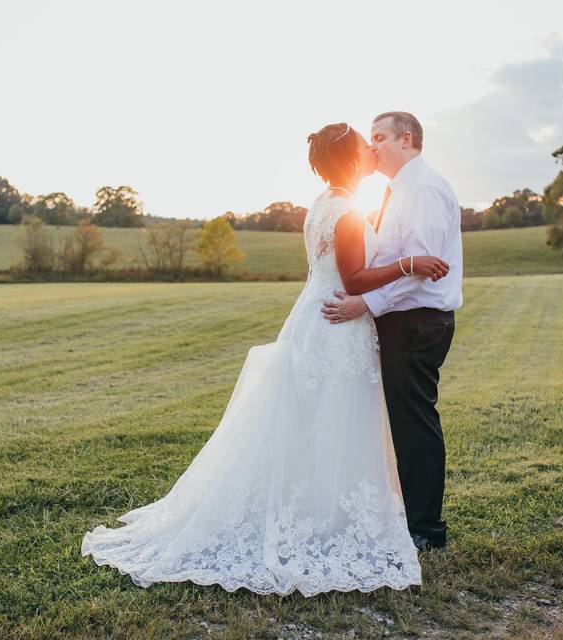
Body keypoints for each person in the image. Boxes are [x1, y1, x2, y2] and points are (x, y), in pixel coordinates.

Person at [80, 121, 450, 597]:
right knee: (336, 419)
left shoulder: (322, 204)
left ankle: (315, 507)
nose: (371, 151)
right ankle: (322, 515)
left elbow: (325, 269)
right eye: (365, 146)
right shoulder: (348, 211)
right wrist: (409, 264)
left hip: (313, 319)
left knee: (310, 419)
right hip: (339, 326)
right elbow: (354, 279)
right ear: (353, 159)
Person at [322, 111, 464, 551]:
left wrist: (366, 303)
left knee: (414, 423)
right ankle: (409, 518)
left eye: (379, 136)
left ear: (408, 139)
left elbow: (423, 271)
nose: (372, 145)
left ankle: (425, 530)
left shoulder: (420, 188)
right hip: (404, 319)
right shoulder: (397, 189)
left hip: (417, 321)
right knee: (403, 422)